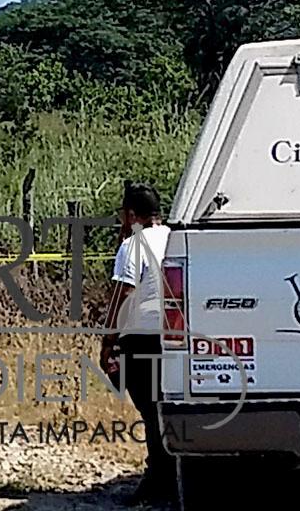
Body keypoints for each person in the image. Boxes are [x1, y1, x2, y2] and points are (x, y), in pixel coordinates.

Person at [100, 181, 176, 505]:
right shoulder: (174, 237)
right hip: (175, 336)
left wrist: (108, 339)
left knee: (149, 409)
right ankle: (168, 472)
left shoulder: (132, 247)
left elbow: (122, 294)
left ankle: (158, 476)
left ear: (131, 214)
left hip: (141, 336)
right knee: (165, 407)